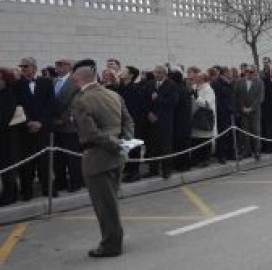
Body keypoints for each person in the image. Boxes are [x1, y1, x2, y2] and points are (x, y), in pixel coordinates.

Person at [70, 59, 133, 258]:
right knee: (111, 202)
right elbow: (128, 121)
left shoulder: (81, 100)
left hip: (97, 158)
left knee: (104, 206)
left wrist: (116, 145)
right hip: (117, 157)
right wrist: (125, 143)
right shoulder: (114, 94)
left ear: (78, 79)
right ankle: (115, 238)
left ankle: (111, 245)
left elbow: (91, 134)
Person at [13, 57, 55, 200]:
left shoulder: (47, 83)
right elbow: (17, 106)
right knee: (27, 163)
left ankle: (47, 189)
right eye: (22, 66)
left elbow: (50, 104)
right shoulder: (17, 85)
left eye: (26, 66)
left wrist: (41, 122)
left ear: (34, 68)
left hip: (43, 128)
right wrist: (29, 122)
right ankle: (27, 192)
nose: (23, 69)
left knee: (45, 161)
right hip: (26, 129)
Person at [52, 59, 83, 193]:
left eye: (61, 64)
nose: (57, 67)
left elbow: (75, 104)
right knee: (58, 157)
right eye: (56, 65)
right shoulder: (53, 81)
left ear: (69, 67)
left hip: (69, 125)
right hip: (55, 125)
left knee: (72, 156)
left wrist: (63, 119)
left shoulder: (75, 82)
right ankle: (60, 181)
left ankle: (76, 181)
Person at [144, 65, 179, 178]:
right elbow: (144, 100)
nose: (157, 74)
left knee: (165, 146)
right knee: (152, 146)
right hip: (151, 120)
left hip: (165, 120)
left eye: (159, 72)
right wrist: (149, 113)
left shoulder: (171, 85)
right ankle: (153, 170)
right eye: (155, 72)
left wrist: (158, 99)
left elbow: (173, 101)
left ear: (165, 74)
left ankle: (166, 170)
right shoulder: (150, 84)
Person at [0, 68, 24, 206]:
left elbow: (5, 117)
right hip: (3, 138)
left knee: (7, 167)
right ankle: (8, 193)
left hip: (8, 138)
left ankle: (10, 195)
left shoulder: (8, 95)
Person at [234, 65, 264, 160]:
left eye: (251, 72)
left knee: (256, 132)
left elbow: (260, 97)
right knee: (245, 132)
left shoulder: (259, 82)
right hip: (243, 112)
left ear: (254, 72)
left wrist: (251, 108)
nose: (248, 73)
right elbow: (236, 96)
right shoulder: (239, 82)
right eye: (247, 71)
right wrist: (242, 108)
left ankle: (257, 151)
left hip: (255, 112)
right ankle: (247, 151)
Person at [188, 71, 217, 167]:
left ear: (203, 79)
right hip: (195, 117)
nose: (195, 78)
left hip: (204, 118)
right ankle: (195, 159)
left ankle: (205, 159)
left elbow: (206, 104)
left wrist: (197, 97)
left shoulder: (208, 89)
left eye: (197, 77)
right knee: (195, 139)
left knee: (204, 140)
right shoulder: (195, 87)